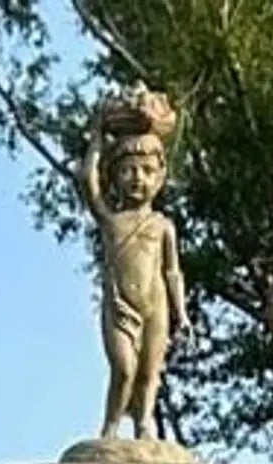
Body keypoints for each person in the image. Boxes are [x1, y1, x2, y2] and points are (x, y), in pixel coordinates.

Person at [81, 89, 186, 441]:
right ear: (115, 177)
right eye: (128, 171)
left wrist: (181, 313)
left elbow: (172, 272)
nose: (138, 178)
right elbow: (88, 184)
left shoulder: (162, 226)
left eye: (146, 170)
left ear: (160, 177)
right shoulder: (112, 220)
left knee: (149, 374)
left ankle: (144, 426)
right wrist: (97, 140)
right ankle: (111, 427)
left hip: (156, 306)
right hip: (120, 305)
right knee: (124, 369)